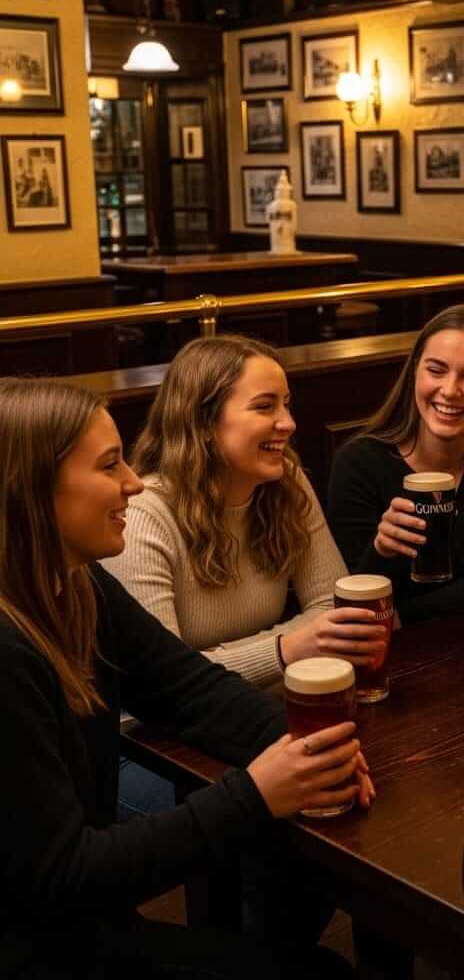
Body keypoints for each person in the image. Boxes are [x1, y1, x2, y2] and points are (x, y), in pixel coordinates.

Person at [0, 378, 367, 979]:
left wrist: (312, 748)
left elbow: (189, 689)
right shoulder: (8, 649)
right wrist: (256, 795)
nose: (133, 482)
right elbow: (63, 876)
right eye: (109, 465)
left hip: (86, 926)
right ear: (33, 490)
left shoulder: (79, 585)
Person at [104, 335, 383, 816]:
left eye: (287, 404)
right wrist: (287, 648)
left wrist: (296, 646)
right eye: (264, 406)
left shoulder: (286, 482)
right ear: (203, 421)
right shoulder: (145, 515)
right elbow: (165, 688)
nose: (288, 423)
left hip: (256, 719)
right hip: (149, 749)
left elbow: (329, 608)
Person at [328, 304, 464, 624]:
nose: (449, 390)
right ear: (414, 373)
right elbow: (359, 603)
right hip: (395, 647)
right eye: (436, 370)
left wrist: (408, 614)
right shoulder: (358, 464)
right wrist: (382, 550)